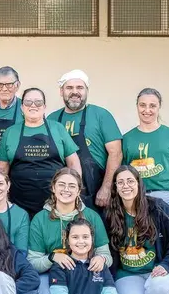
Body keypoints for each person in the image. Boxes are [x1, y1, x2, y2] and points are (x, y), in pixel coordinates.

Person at [106, 165, 169, 294]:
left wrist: (166, 264)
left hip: (158, 271)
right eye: (120, 182)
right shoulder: (111, 214)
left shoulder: (158, 209)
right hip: (128, 274)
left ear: (139, 183)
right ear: (115, 187)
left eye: (130, 181)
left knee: (160, 287)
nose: (126, 186)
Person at [27, 168, 112, 294]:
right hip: (52, 273)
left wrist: (101, 259)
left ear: (79, 190)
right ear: (53, 188)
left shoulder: (92, 216)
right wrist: (52, 257)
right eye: (61, 185)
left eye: (72, 186)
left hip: (85, 272)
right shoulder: (40, 219)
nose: (66, 189)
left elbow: (107, 256)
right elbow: (33, 262)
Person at [0, 87, 81, 218]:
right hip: (18, 202)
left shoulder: (57, 129)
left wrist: (76, 192)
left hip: (56, 202)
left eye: (38, 102)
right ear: (22, 107)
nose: (33, 105)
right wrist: (2, 198)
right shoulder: (10, 132)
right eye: (28, 102)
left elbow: (73, 163)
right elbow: (2, 169)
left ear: (44, 107)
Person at [48, 70, 123, 209]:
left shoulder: (101, 115)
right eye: (69, 88)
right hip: (61, 191)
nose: (74, 92)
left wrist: (106, 188)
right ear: (61, 91)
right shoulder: (52, 119)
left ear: (87, 91)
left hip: (96, 191)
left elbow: (116, 153)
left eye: (80, 87)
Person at [122, 88, 169, 223]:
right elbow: (122, 174)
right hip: (136, 198)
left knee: (166, 237)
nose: (147, 110)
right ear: (137, 106)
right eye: (142, 105)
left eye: (152, 106)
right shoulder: (127, 139)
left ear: (159, 107)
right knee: (138, 237)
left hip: (167, 198)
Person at [47, 218, 130, 294]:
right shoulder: (60, 265)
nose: (81, 241)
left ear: (92, 239)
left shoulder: (100, 265)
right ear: (67, 240)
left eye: (85, 237)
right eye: (75, 237)